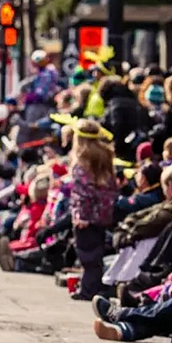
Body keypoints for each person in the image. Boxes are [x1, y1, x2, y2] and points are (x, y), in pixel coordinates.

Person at [69, 119, 118, 300]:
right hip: (104, 211)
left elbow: (82, 192)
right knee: (96, 251)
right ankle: (93, 286)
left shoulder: (81, 161)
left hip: (86, 214)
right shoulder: (105, 155)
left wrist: (80, 214)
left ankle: (88, 289)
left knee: (86, 253)